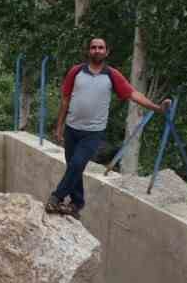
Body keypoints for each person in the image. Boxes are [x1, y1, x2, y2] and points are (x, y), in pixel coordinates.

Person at [46, 38, 169, 216]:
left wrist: (157, 108)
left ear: (107, 51)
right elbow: (65, 100)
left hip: (93, 133)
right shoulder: (76, 72)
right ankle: (76, 204)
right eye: (94, 47)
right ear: (89, 51)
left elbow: (133, 94)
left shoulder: (112, 75)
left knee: (77, 163)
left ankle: (56, 197)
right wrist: (59, 127)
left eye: (101, 48)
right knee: (74, 167)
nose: (97, 50)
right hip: (72, 129)